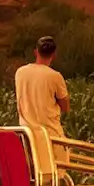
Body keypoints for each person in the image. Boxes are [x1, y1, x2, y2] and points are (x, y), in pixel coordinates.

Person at [14, 36, 71, 166]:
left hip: (27, 136)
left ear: (36, 52)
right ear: (54, 54)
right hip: (50, 136)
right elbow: (65, 106)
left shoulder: (20, 73)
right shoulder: (55, 76)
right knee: (56, 176)